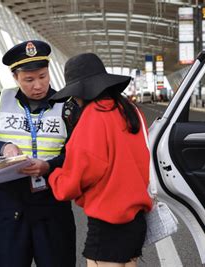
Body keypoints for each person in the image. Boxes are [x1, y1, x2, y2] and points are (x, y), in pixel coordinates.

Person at [0, 40, 78, 266]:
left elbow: (78, 152)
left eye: (42, 76)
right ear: (15, 77)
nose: (38, 85)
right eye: (28, 80)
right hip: (10, 207)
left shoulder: (68, 105)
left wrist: (49, 166)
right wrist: (3, 148)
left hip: (53, 204)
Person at [48, 53, 152, 267]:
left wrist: (54, 176)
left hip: (108, 223)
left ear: (81, 91)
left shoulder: (95, 115)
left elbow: (80, 173)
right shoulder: (131, 111)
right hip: (135, 220)